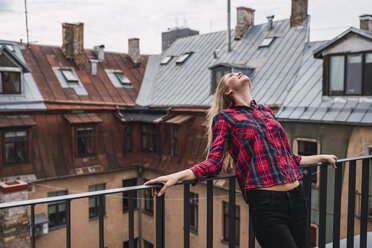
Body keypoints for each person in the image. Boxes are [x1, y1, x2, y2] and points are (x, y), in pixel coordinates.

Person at [144, 71, 337, 248]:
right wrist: (177, 176)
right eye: (230, 75)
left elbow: (286, 157)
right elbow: (214, 162)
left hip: (297, 198)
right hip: (267, 205)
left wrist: (322, 157)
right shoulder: (225, 118)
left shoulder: (265, 111)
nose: (237, 72)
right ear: (228, 90)